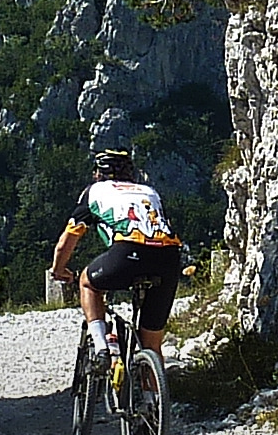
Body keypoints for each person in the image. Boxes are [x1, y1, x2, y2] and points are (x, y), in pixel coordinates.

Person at [48, 147, 182, 365]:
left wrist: (58, 269)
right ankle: (153, 396)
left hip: (128, 252)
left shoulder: (94, 191)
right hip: (169, 257)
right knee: (151, 342)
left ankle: (101, 347)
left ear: (98, 173)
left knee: (88, 283)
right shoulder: (149, 192)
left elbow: (67, 240)